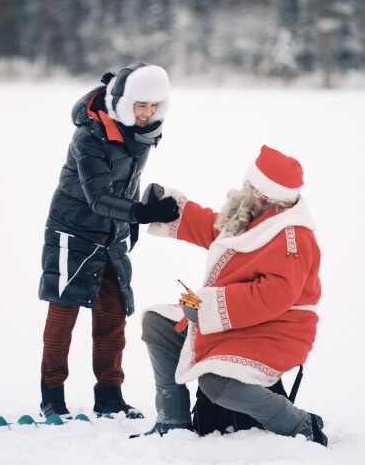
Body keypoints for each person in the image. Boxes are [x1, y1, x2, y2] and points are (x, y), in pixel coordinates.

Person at [133, 146, 328, 446]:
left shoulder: (293, 237)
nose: (244, 191)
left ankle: (297, 423)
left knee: (216, 379)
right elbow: (217, 229)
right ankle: (172, 423)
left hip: (276, 331)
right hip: (236, 322)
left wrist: (208, 307)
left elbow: (274, 295)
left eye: (250, 188)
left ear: (264, 196)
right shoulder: (257, 215)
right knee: (156, 323)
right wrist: (171, 207)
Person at [38, 62, 179, 420]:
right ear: (121, 101)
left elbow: (125, 183)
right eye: (140, 106)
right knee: (64, 314)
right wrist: (141, 214)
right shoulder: (90, 137)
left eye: (153, 106)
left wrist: (145, 207)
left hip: (113, 234)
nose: (147, 114)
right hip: (74, 230)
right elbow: (98, 197)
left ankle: (110, 396)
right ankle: (52, 396)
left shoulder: (144, 133)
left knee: (113, 317)